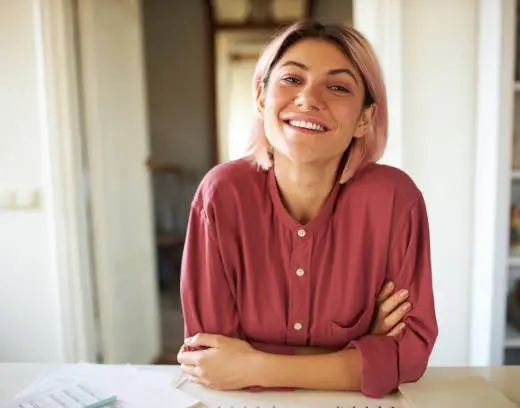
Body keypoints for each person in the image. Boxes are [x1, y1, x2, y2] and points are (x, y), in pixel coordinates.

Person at [177, 19, 438, 399]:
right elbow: (209, 359)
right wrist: (361, 350)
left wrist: (253, 364)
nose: (308, 99)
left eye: (337, 87)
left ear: (365, 117)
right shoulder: (221, 195)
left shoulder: (396, 199)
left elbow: (410, 355)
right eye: (291, 80)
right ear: (261, 97)